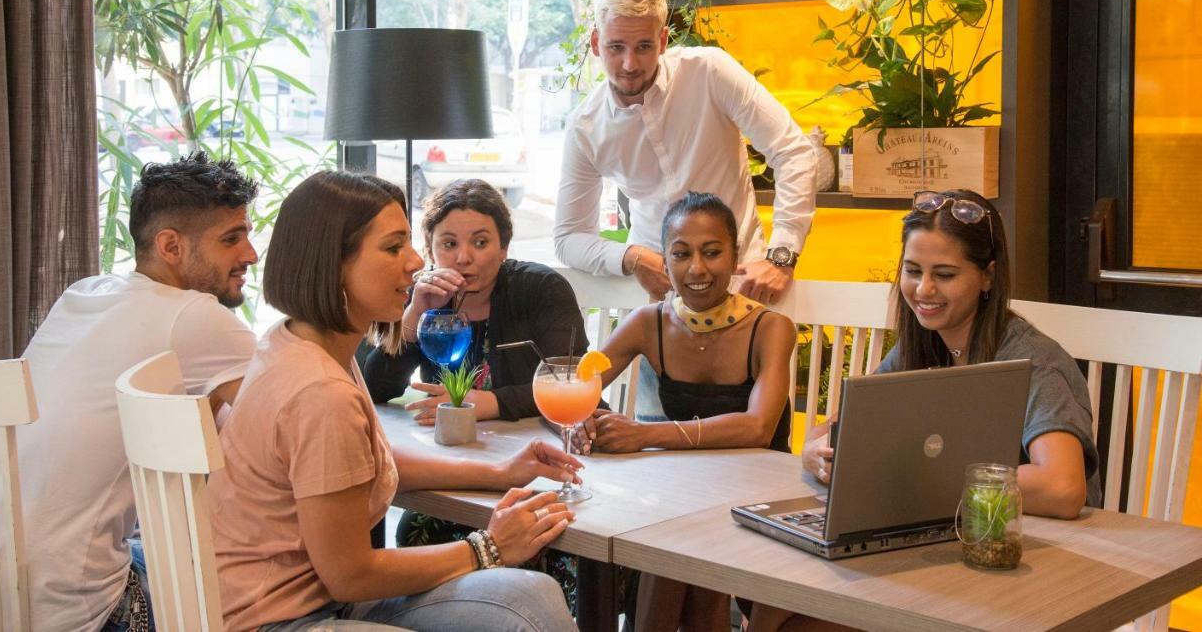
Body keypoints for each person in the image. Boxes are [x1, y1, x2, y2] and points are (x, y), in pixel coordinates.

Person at [208, 171, 579, 632]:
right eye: (393, 247)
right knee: (525, 610)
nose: (416, 261)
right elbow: (350, 574)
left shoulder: (299, 344)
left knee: (532, 595)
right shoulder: (319, 391)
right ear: (332, 263)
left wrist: (499, 472)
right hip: (282, 618)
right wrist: (490, 547)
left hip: (320, 599)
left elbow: (367, 464)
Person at [19, 152, 260, 632]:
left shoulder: (83, 293)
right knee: (241, 598)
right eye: (232, 238)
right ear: (170, 246)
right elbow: (301, 421)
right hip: (70, 611)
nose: (251, 254)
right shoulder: (194, 316)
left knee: (152, 551)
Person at [802, 189, 1100, 517]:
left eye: (944, 275)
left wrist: (922, 481)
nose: (924, 289)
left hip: (1036, 545)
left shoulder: (1034, 362)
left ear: (988, 276)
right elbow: (837, 429)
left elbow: (1062, 487)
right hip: (955, 529)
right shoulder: (923, 344)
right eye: (913, 271)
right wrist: (814, 453)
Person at [579, 192, 796, 632]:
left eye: (712, 252)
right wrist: (579, 414)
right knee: (646, 536)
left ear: (735, 256)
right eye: (681, 254)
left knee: (676, 544)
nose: (696, 269)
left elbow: (757, 428)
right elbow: (580, 382)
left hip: (763, 502)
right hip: (683, 492)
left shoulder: (771, 328)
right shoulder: (648, 322)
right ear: (666, 261)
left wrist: (644, 433)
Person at [553, 0, 817, 307]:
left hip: (742, 287)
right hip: (657, 299)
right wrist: (632, 256)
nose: (629, 64)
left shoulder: (710, 72)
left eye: (644, 47)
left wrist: (782, 256)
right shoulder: (585, 127)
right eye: (615, 47)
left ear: (663, 41)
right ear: (595, 43)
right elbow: (568, 238)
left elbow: (793, 152)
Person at [363, 178, 587, 424]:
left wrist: (492, 403)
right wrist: (416, 313)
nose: (463, 257)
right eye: (449, 244)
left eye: (480, 243)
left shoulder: (541, 289)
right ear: (429, 248)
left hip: (532, 440)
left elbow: (572, 383)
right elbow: (375, 389)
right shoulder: (425, 295)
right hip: (448, 444)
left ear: (504, 247)